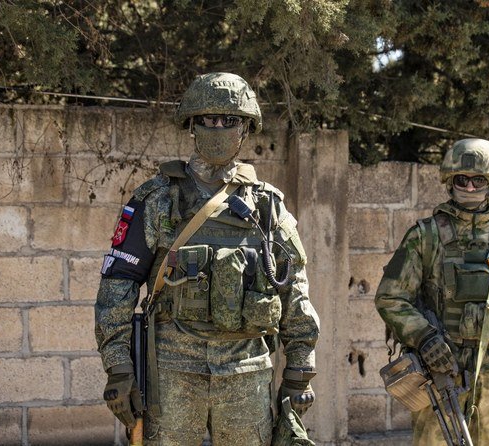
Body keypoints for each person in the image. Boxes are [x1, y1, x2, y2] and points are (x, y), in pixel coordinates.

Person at [95, 72, 320, 445]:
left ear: (245, 128)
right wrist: (118, 367)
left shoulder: (267, 206)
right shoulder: (156, 199)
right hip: (170, 374)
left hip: (246, 373)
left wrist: (299, 371)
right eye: (207, 119)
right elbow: (117, 286)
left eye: (229, 120)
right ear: (192, 126)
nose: (218, 128)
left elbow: (294, 290)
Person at [375, 138, 489, 445]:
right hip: (439, 369)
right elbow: (390, 297)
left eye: (479, 180)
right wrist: (424, 338)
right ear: (450, 184)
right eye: (461, 180)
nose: (470, 187)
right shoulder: (425, 236)